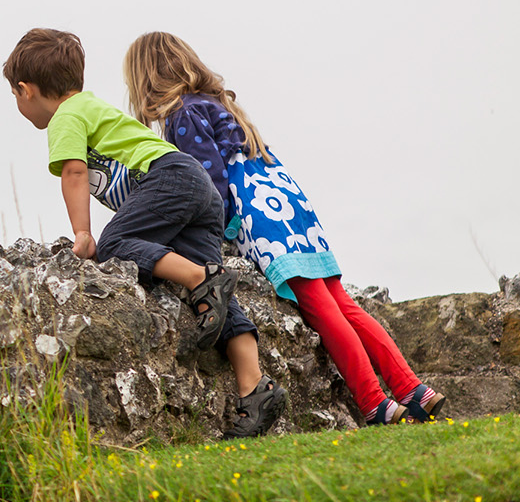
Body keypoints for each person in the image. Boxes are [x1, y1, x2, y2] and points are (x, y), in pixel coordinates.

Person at [122, 30, 445, 426]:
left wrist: (221, 232)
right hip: (290, 207)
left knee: (323, 311)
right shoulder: (217, 104)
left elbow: (209, 181)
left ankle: (376, 402)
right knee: (344, 304)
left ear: (145, 78)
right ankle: (412, 388)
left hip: (260, 217)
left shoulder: (182, 115)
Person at [4, 28, 286, 438]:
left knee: (114, 245)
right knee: (215, 298)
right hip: (195, 186)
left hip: (169, 178)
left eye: (14, 96)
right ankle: (253, 385)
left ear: (26, 90)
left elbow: (74, 171)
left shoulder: (66, 116)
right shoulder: (92, 107)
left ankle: (201, 279)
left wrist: (83, 234)